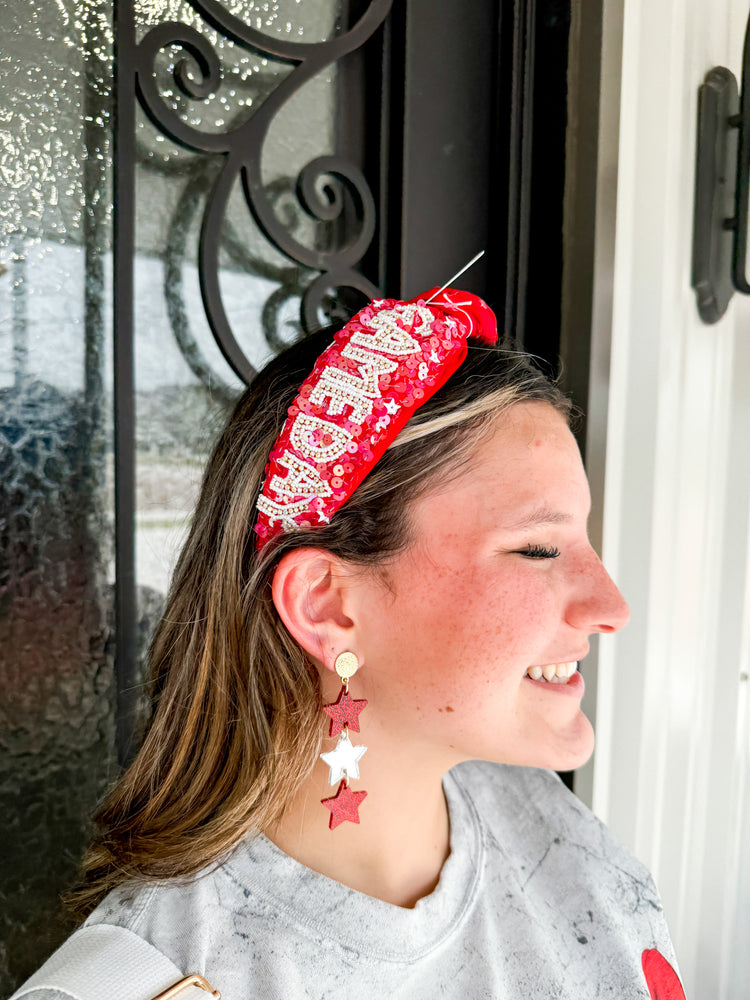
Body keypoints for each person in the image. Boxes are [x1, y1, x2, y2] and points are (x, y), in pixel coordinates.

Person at [12, 289, 686, 1000]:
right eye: (538, 548)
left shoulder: (552, 828)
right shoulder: (149, 979)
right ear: (325, 603)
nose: (611, 606)